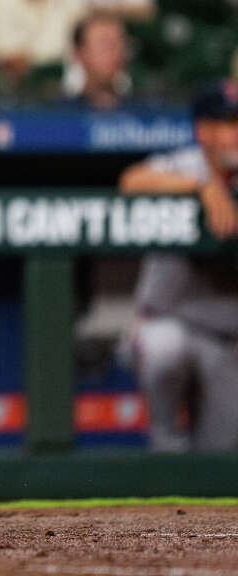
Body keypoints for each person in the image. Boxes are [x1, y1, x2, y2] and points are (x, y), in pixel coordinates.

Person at [118, 81, 238, 452]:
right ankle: (165, 445)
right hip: (167, 322)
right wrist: (202, 188)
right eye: (229, 124)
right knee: (164, 349)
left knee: (222, 451)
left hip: (226, 339)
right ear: (204, 130)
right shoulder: (182, 166)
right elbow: (132, 180)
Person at [65, 13, 133, 111]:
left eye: (118, 43)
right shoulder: (61, 113)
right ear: (79, 55)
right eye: (104, 44)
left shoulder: (146, 109)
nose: (114, 52)